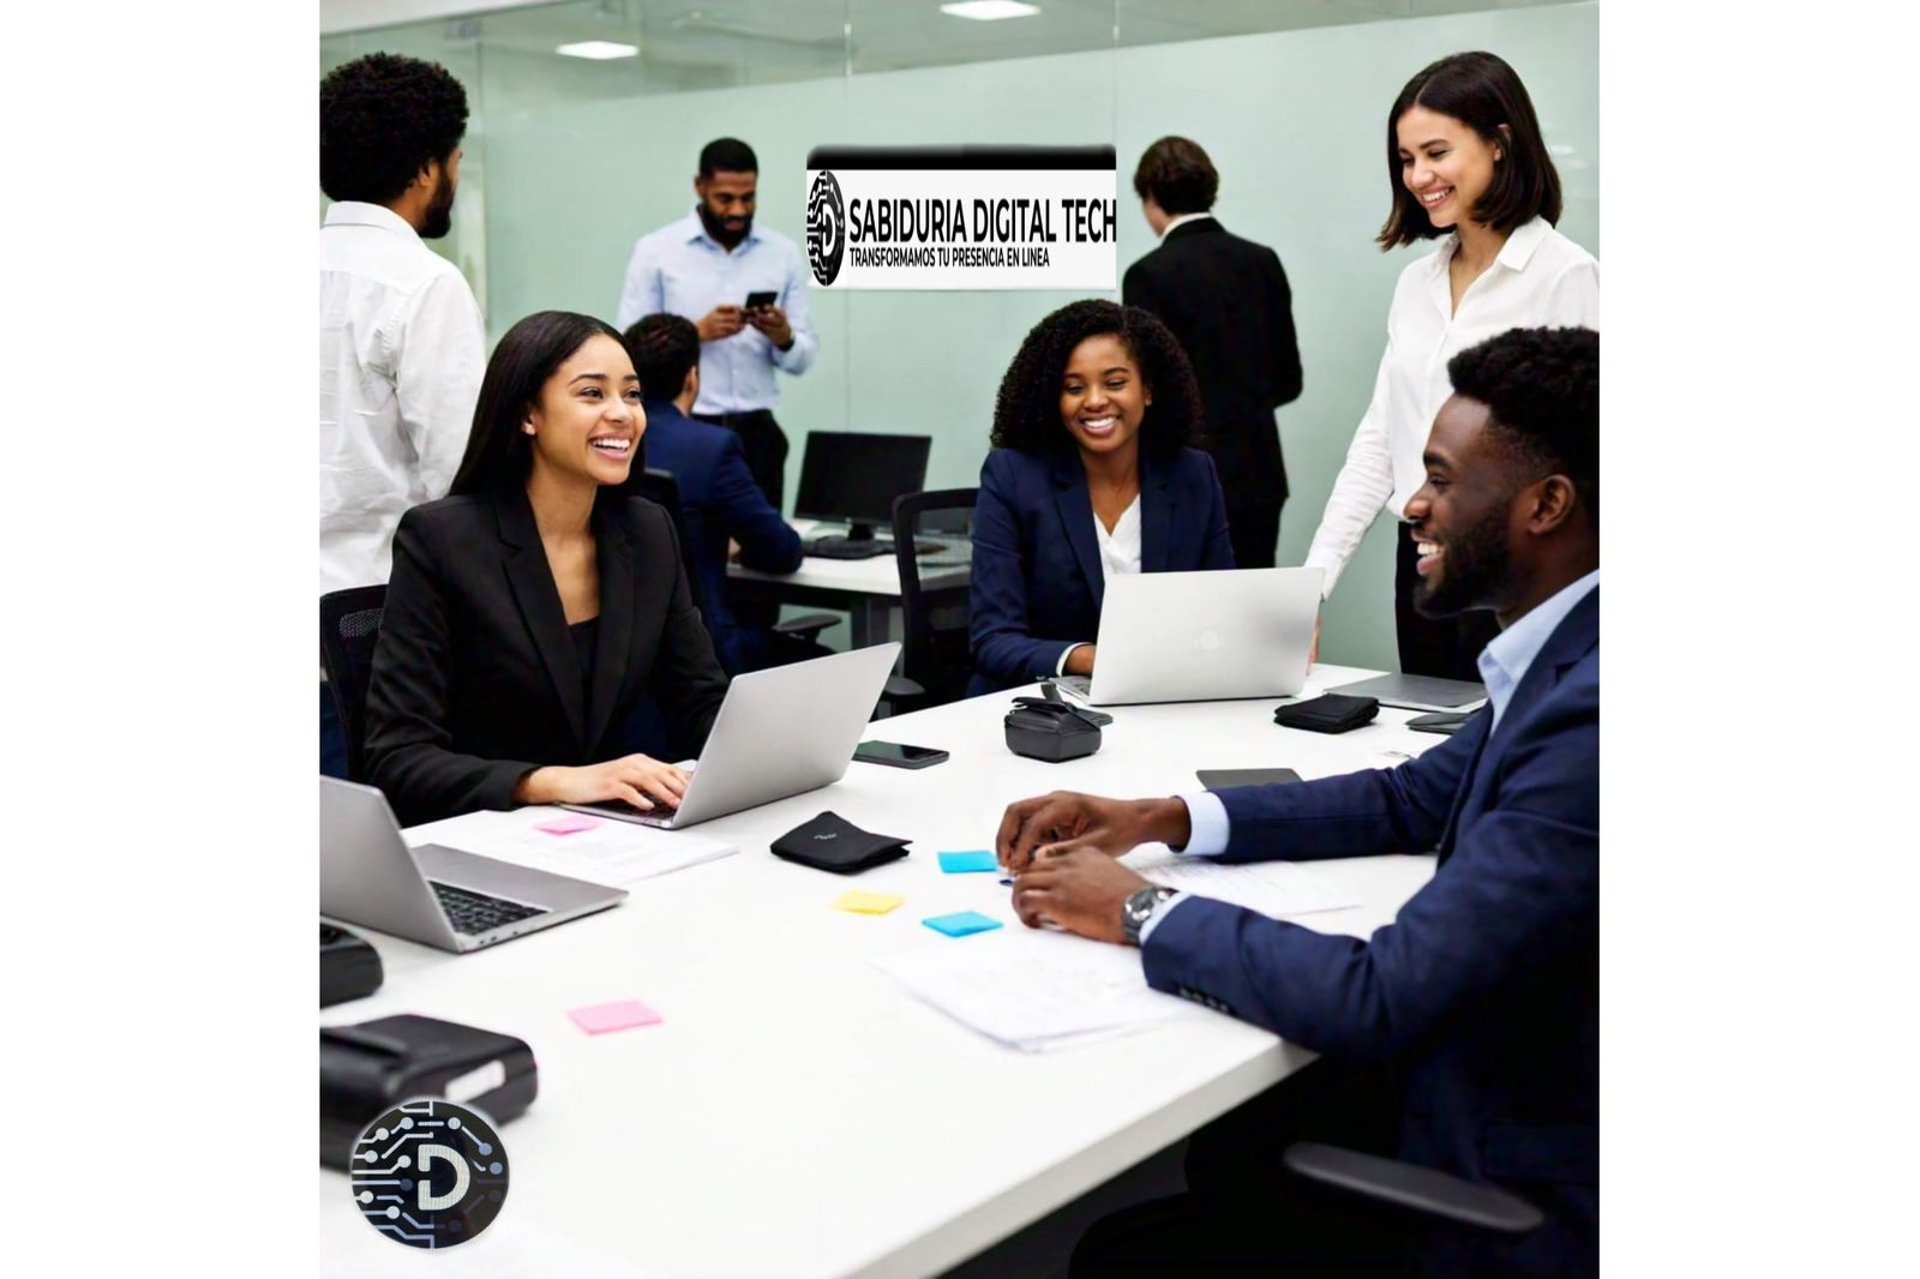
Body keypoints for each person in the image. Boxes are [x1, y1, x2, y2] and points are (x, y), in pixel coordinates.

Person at [998, 326, 1600, 1278]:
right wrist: (1163, 818)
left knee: (1118, 1251)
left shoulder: (1589, 718)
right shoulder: (1570, 655)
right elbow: (1410, 797)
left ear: (1547, 505)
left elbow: (1384, 993)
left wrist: (1138, 905)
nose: (1414, 502)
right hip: (1496, 1088)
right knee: (1231, 1147)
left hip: (1522, 1185)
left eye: (1441, 478)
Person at [363, 311, 729, 827]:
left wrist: (774, 755)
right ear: (527, 414)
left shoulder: (647, 531)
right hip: (490, 841)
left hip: (614, 835)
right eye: (592, 394)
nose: (623, 414)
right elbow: (398, 759)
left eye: (632, 394)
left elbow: (700, 702)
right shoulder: (443, 541)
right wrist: (554, 781)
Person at [1304, 50, 1597, 681]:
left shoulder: (1566, 275)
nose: (1417, 176)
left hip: (1524, 570)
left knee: (1511, 759)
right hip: (1428, 557)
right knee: (1425, 749)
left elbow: (1591, 452)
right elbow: (1381, 438)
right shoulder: (1417, 283)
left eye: (1436, 153)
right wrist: (1314, 583)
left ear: (1498, 144)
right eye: (1406, 159)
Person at [319, 52, 487, 777]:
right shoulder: (423, 284)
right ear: (427, 169)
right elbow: (462, 479)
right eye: (456, 160)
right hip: (362, 644)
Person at [969, 300, 1234, 695]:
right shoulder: (1013, 476)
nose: (1094, 401)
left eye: (1114, 383)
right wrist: (1093, 658)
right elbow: (992, 641)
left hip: (1162, 699)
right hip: (1037, 710)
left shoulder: (1192, 474)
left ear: (1147, 390)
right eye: (1074, 388)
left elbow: (1222, 613)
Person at [1123, 136, 1303, 569]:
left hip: (1183, 475)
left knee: (1191, 620)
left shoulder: (1148, 275)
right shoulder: (1263, 262)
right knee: (1250, 616)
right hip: (1260, 471)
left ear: (1150, 199)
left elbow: (1148, 390)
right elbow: (1288, 381)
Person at [615, 137, 817, 511]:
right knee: (687, 550)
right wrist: (695, 333)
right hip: (685, 428)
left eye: (749, 197)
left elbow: (803, 359)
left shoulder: (782, 253)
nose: (738, 210)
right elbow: (629, 349)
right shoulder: (657, 251)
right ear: (700, 187)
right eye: (725, 198)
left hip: (758, 434)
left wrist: (783, 337)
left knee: (764, 558)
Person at [623, 313, 805, 674]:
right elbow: (782, 551)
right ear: (692, 377)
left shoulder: (610, 443)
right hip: (707, 652)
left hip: (627, 653)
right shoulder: (712, 448)